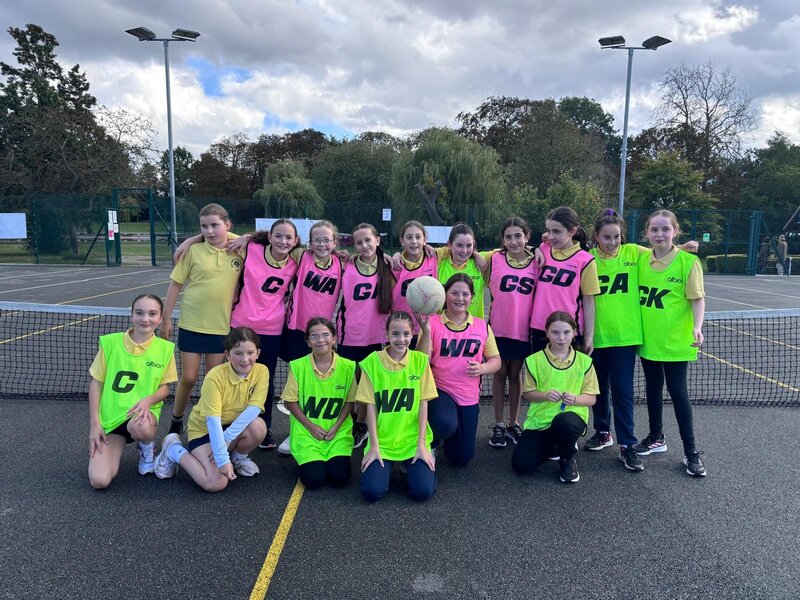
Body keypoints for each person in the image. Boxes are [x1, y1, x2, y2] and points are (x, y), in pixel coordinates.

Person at [634, 210, 707, 477]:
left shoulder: (688, 262)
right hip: (648, 339)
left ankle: (691, 453)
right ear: (647, 233)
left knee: (678, 393)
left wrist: (697, 327)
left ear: (675, 231)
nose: (660, 234)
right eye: (654, 229)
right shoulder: (641, 259)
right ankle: (656, 437)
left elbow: (697, 298)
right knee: (652, 387)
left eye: (665, 229)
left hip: (676, 341)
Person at [153, 327, 269, 491]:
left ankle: (238, 458)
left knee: (258, 427)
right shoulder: (214, 376)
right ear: (227, 355)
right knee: (215, 483)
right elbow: (212, 421)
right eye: (238, 353)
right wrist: (221, 459)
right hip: (204, 430)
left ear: (257, 353)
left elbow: (254, 408)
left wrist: (227, 439)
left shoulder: (262, 371)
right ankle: (173, 450)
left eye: (250, 353)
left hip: (229, 429)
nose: (245, 359)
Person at [161, 203, 242, 436]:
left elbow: (257, 238)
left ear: (227, 225)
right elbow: (175, 285)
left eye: (215, 225)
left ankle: (207, 423)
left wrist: (190, 238)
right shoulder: (192, 252)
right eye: (204, 226)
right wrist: (166, 319)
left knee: (212, 381)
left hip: (221, 328)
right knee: (188, 377)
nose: (209, 231)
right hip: (192, 324)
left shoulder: (239, 248)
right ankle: (177, 420)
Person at [87, 294, 178, 489]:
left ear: (160, 318)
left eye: (152, 314)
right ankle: (116, 444)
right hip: (112, 418)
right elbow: (96, 384)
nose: (145, 319)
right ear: (131, 315)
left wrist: (148, 400)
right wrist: (95, 424)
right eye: (140, 313)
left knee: (141, 428)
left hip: (141, 416)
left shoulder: (165, 349)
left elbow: (165, 389)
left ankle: (147, 447)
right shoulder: (111, 343)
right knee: (99, 481)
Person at [229, 219, 301, 450]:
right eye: (278, 236)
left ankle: (264, 426)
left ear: (296, 241)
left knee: (265, 381)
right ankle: (230, 423)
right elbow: (215, 234)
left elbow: (326, 253)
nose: (283, 241)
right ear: (269, 237)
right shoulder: (251, 248)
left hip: (271, 329)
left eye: (289, 237)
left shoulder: (296, 260)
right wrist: (191, 239)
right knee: (235, 378)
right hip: (241, 325)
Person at [277, 220, 345, 456]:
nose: (322, 244)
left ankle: (324, 427)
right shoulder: (300, 256)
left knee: (319, 384)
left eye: (327, 239)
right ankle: (295, 430)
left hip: (323, 335)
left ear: (334, 243)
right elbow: (269, 241)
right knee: (298, 386)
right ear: (310, 242)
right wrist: (242, 237)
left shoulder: (342, 263)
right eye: (317, 239)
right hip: (297, 329)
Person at [419, 274, 501, 467]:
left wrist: (483, 367)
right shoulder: (432, 323)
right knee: (444, 423)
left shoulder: (482, 327)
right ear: (445, 295)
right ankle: (428, 442)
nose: (460, 298)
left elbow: (496, 361)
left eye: (465, 294)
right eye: (454, 293)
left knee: (461, 458)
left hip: (468, 396)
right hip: (440, 390)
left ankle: (448, 437)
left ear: (472, 297)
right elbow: (421, 361)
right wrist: (427, 333)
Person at [358, 312, 437, 502]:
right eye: (395, 334)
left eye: (406, 334)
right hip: (383, 442)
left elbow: (423, 402)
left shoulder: (420, 361)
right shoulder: (372, 362)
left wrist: (421, 442)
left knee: (422, 493)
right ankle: (388, 466)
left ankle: (425, 459)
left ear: (412, 335)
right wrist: (374, 446)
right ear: (386, 334)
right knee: (371, 493)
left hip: (411, 440)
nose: (401, 339)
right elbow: (370, 407)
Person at [511, 311, 599, 483]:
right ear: (546, 333)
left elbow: (591, 398)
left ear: (574, 332)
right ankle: (555, 445)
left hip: (571, 419)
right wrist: (544, 395)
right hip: (540, 422)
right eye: (555, 332)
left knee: (564, 422)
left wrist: (575, 399)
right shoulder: (533, 360)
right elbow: (528, 394)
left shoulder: (585, 361)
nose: (561, 338)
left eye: (566, 332)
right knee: (521, 465)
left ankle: (567, 459)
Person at [337, 223, 396, 449]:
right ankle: (346, 422)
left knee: (370, 386)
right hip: (350, 337)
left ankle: (361, 425)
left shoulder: (390, 266)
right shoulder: (346, 266)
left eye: (368, 240)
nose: (364, 245)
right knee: (349, 385)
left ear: (377, 241)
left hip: (379, 338)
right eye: (359, 242)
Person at [282, 318, 358, 489]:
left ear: (334, 338)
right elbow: (290, 401)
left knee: (339, 479)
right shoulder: (298, 366)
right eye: (314, 336)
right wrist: (311, 427)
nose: (320, 340)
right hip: (307, 433)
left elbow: (350, 401)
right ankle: (305, 462)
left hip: (336, 432)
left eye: (325, 335)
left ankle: (328, 461)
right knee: (313, 480)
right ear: (308, 342)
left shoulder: (348, 366)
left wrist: (337, 426)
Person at [483, 217, 537, 448]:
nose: (514, 241)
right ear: (502, 240)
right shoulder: (494, 258)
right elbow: (463, 252)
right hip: (497, 328)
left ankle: (513, 422)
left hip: (522, 329)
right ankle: (498, 424)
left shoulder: (537, 261)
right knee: (498, 374)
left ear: (527, 237)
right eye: (508, 237)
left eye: (518, 236)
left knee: (516, 375)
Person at [530, 206, 600, 356]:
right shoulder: (543, 248)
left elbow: (588, 301)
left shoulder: (585, 260)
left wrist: (589, 336)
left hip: (568, 332)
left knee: (567, 379)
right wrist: (535, 249)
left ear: (572, 231)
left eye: (556, 231)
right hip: (539, 328)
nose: (550, 236)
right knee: (540, 378)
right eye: (548, 231)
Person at [390, 221, 438, 341]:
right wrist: (395, 255)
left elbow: (459, 249)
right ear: (402, 240)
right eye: (409, 237)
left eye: (418, 237)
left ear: (424, 239)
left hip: (428, 327)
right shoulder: (395, 265)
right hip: (402, 330)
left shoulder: (435, 257)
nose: (414, 241)